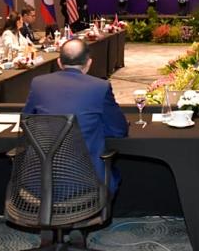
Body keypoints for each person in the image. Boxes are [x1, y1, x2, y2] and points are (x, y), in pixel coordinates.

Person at [22, 39, 128, 192]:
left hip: (37, 184)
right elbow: (119, 130)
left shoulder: (38, 83)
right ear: (89, 63)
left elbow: (26, 122)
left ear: (59, 62)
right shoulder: (100, 87)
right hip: (87, 185)